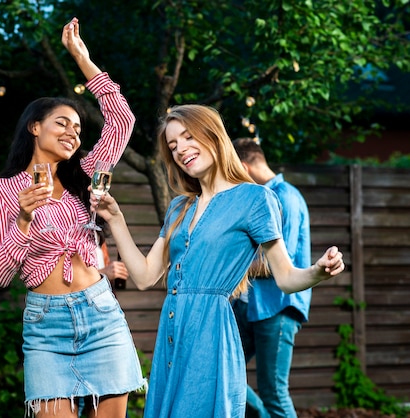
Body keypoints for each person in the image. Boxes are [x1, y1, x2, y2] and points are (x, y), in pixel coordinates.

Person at [93, 104, 345, 417]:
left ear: (213, 136)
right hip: (172, 331)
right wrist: (116, 220)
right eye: (173, 146)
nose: (181, 149)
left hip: (211, 332)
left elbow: (286, 277)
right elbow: (145, 277)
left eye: (188, 137)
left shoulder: (256, 199)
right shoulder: (179, 207)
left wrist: (318, 271)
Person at [0, 18, 145, 418]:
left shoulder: (84, 177)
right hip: (45, 327)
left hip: (102, 314)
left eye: (78, 127)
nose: (73, 132)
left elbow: (123, 120)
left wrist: (82, 59)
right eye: (62, 123)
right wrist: (22, 220)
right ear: (35, 127)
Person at [231, 137, 311, 418]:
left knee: (273, 392)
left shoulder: (284, 197)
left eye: (233, 171)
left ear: (243, 167)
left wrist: (227, 266)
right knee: (223, 371)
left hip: (277, 307)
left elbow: (279, 264)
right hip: (248, 307)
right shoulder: (257, 199)